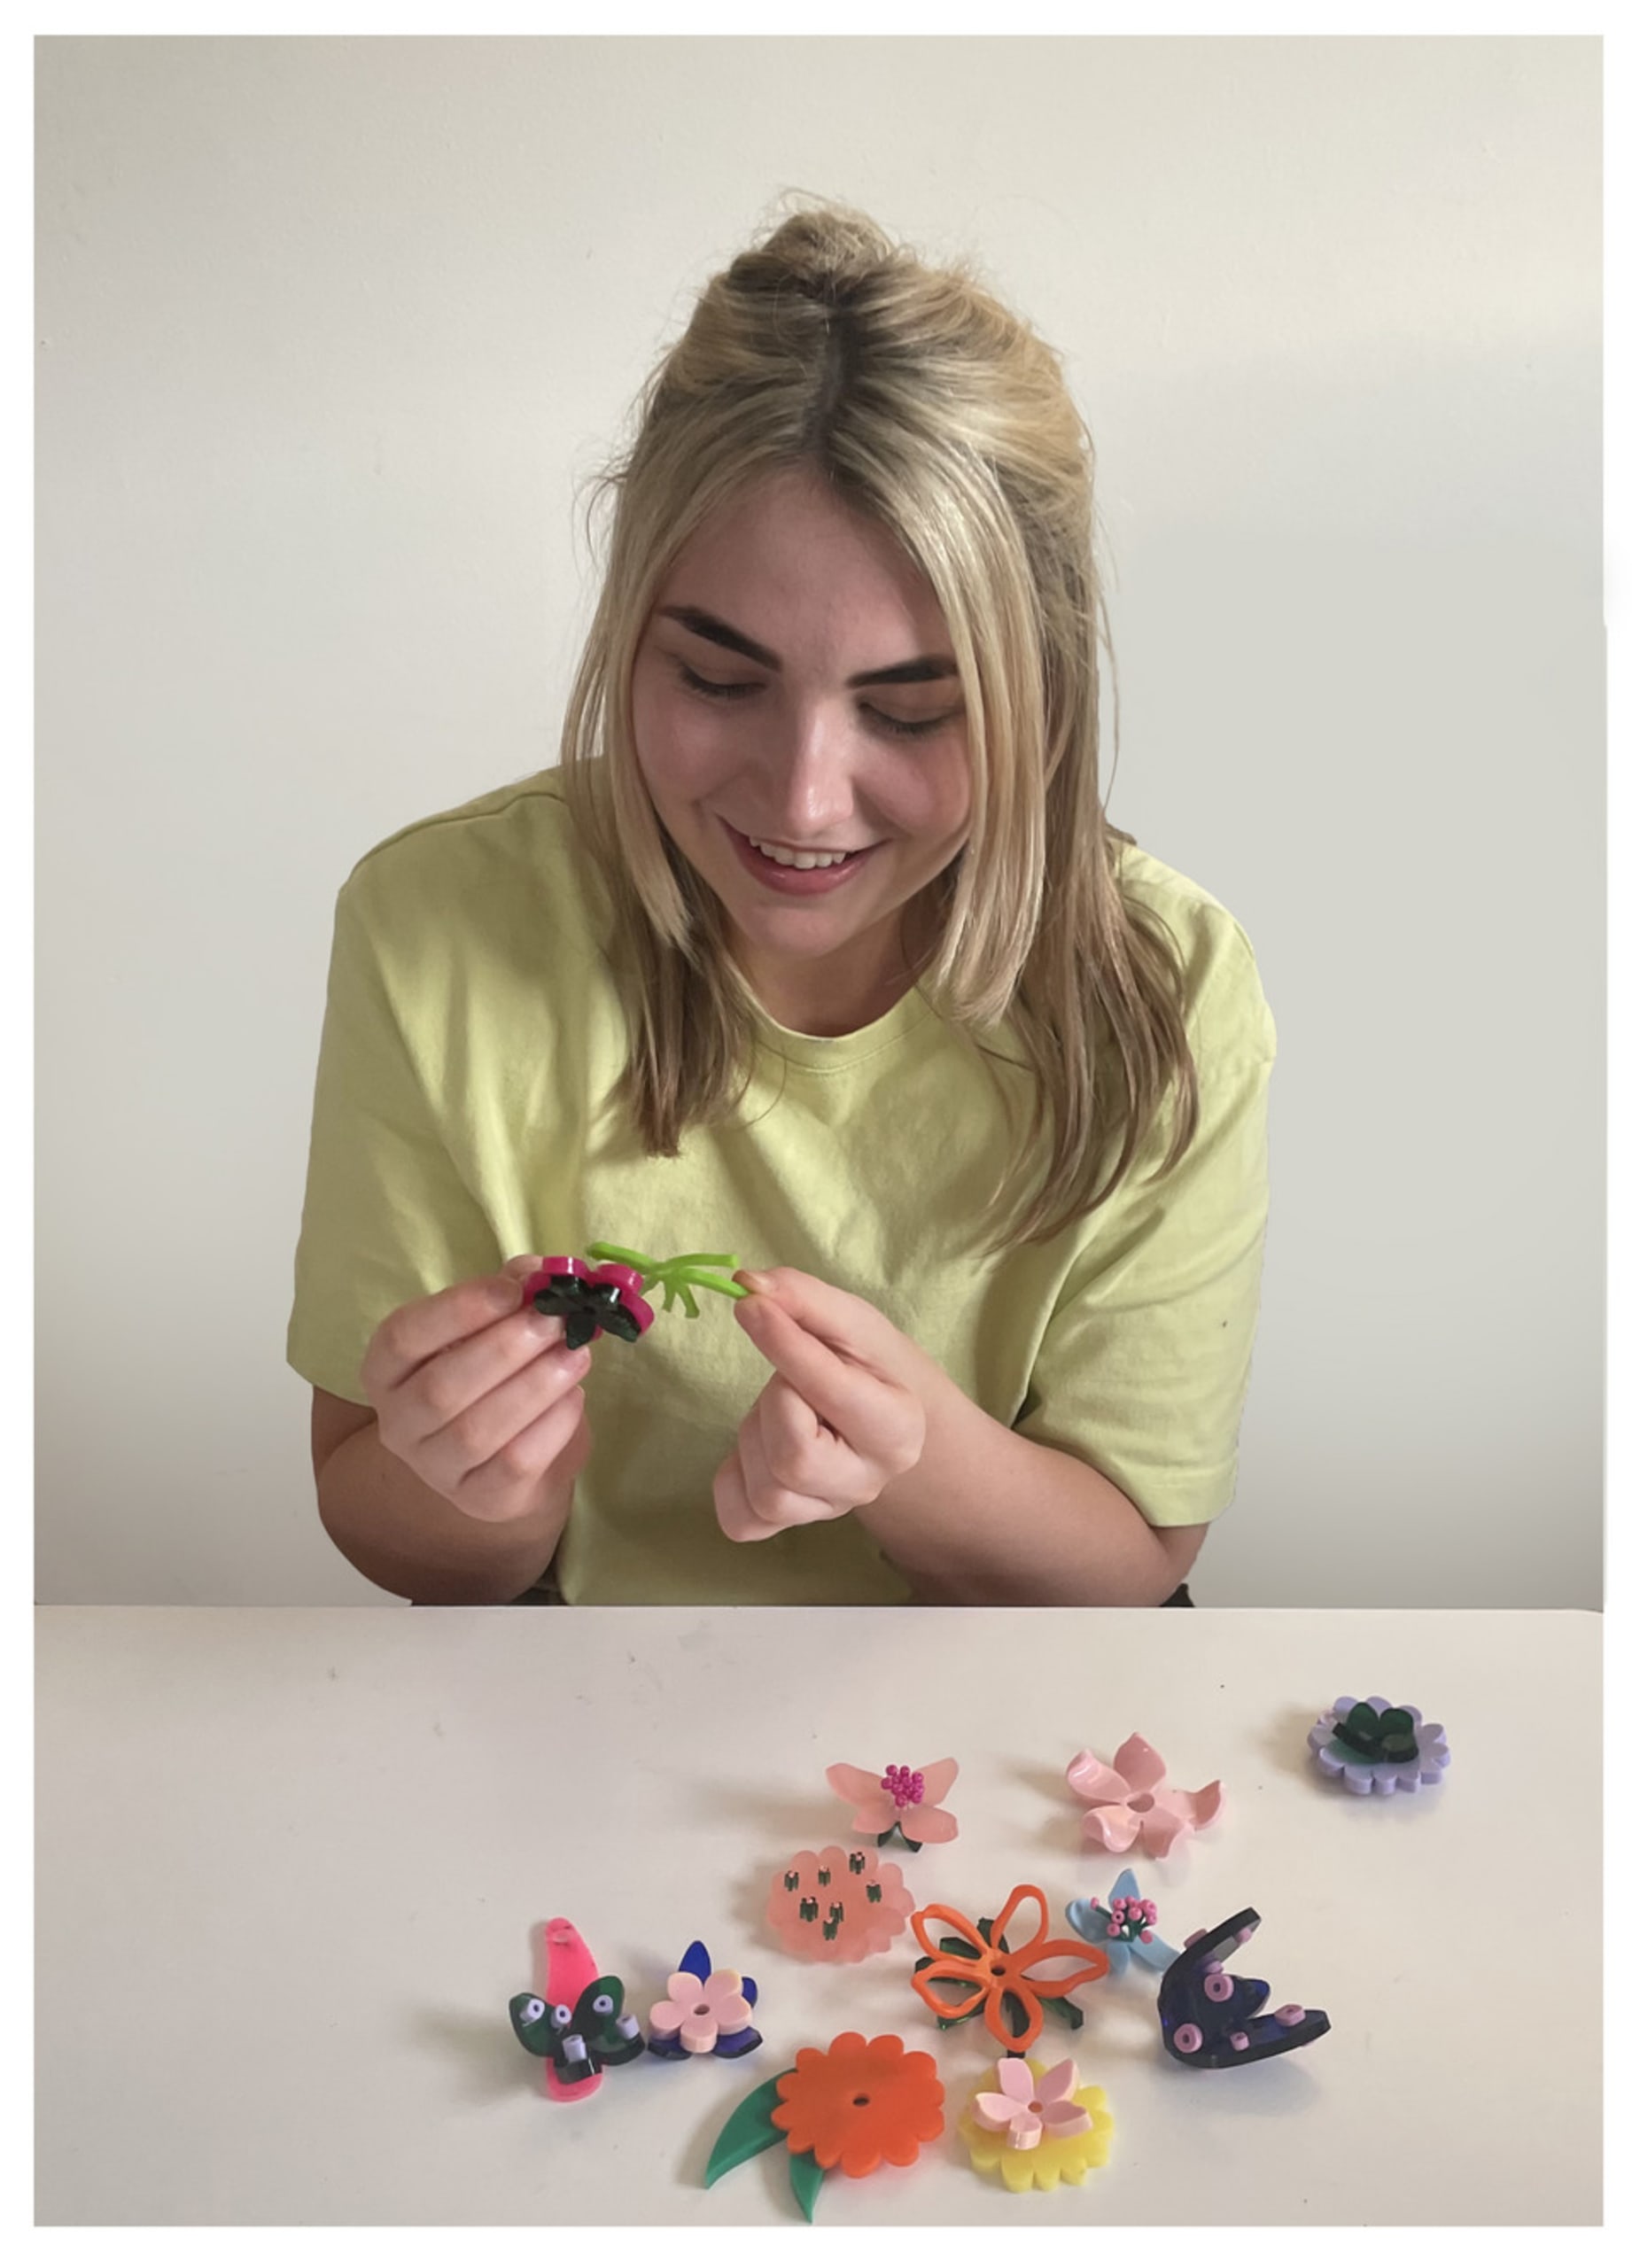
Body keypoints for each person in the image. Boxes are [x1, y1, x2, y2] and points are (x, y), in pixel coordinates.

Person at [287, 202, 1275, 1610]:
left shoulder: (1162, 983)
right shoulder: (435, 930)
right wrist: (481, 1488)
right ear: (628, 632)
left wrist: (917, 1461)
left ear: (1038, 696)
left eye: (913, 707)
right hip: (572, 1705)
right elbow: (386, 1526)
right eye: (717, 679)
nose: (806, 803)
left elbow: (1131, 1561)